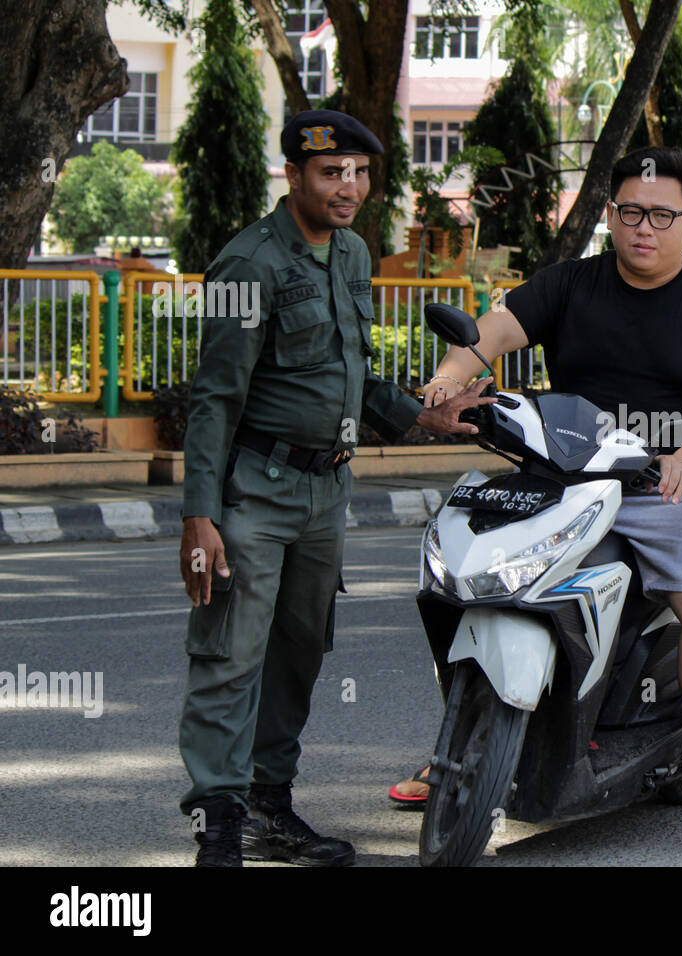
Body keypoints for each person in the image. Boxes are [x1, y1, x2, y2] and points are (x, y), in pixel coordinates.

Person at [394, 147, 682, 858]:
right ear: (609, 213)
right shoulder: (571, 283)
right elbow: (492, 333)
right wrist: (444, 387)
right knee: (473, 578)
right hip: (568, 474)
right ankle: (467, 736)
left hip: (676, 483)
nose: (644, 229)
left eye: (663, 216)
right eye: (631, 212)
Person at [177, 109, 493, 867]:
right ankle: (218, 829)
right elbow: (214, 398)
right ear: (293, 175)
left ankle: (266, 805)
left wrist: (426, 416)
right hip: (256, 488)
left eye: (358, 172)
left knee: (299, 653)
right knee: (230, 654)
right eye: (330, 172)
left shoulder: (352, 255)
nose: (348, 186)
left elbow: (346, 376)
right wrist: (199, 517)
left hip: (327, 491)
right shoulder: (246, 264)